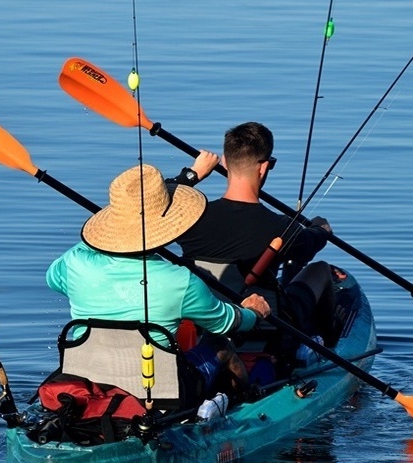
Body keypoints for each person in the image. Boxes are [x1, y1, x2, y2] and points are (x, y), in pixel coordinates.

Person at [46, 164, 270, 402]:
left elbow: (53, 279)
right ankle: (241, 409)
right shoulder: (180, 280)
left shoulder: (75, 262)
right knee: (219, 344)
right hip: (159, 393)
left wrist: (105, 233)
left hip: (89, 383)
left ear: (113, 221)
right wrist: (252, 314)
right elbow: (225, 323)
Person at [173, 122, 343, 363]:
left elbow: (153, 203)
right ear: (264, 167)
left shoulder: (189, 218)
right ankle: (330, 348)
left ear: (223, 161)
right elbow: (312, 243)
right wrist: (321, 229)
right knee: (321, 270)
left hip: (205, 323)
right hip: (266, 329)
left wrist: (193, 174)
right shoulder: (281, 227)